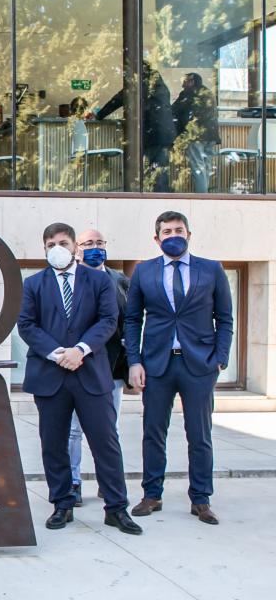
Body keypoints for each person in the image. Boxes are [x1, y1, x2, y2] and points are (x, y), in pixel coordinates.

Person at [17, 222, 140, 536]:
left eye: (62, 242)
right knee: (54, 444)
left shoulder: (98, 281)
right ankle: (62, 503)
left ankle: (116, 508)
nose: (56, 248)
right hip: (51, 375)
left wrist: (81, 350)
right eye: (50, 244)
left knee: (105, 442)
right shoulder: (33, 284)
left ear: (74, 246)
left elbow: (108, 320)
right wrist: (58, 353)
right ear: (44, 249)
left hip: (91, 373)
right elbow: (27, 326)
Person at [125, 211, 233, 525]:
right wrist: (135, 361)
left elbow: (224, 318)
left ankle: (200, 498)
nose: (174, 235)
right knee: (153, 432)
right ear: (157, 239)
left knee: (200, 435)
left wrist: (220, 358)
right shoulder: (144, 272)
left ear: (188, 234)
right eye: (167, 231)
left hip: (199, 365)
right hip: (157, 364)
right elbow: (133, 320)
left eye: (179, 230)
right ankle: (152, 494)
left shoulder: (211, 270)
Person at [67, 228, 130, 506]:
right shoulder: (69, 279)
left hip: (111, 368)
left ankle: (108, 482)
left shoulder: (120, 281)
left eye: (100, 242)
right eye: (88, 243)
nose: (95, 247)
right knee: (73, 431)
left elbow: (129, 324)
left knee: (108, 429)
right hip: (77, 367)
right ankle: (73, 482)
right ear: (77, 249)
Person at [92, 62, 176, 192]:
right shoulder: (159, 83)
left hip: (152, 132)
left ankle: (148, 196)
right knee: (159, 169)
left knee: (145, 169)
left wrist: (99, 115)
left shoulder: (140, 82)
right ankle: (160, 197)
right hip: (165, 132)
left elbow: (119, 98)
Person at [172, 73, 220, 194]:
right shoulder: (208, 93)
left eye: (185, 81)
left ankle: (202, 196)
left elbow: (174, 110)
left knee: (198, 166)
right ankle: (205, 194)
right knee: (206, 166)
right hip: (211, 135)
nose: (182, 83)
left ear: (192, 82)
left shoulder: (188, 94)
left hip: (196, 135)